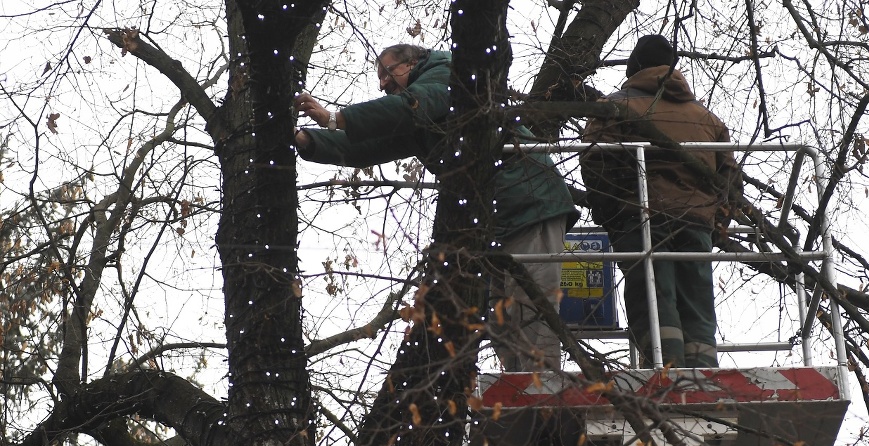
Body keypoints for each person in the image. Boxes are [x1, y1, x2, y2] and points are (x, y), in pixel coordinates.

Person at [294, 44, 579, 371]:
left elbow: (408, 107)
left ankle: (540, 398)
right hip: (500, 216)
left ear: (412, 63)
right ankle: (520, 392)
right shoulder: (423, 114)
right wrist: (308, 139)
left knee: (529, 310)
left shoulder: (447, 76)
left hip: (530, 202)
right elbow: (367, 145)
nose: (383, 83)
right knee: (503, 319)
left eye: (387, 72)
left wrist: (334, 117)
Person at [579, 35, 743, 369]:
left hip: (642, 218)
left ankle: (663, 367)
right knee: (696, 298)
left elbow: (596, 163)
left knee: (653, 296)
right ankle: (703, 373)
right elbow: (730, 180)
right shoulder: (707, 119)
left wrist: (615, 213)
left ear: (634, 67)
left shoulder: (615, 107)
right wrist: (715, 222)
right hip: (695, 223)